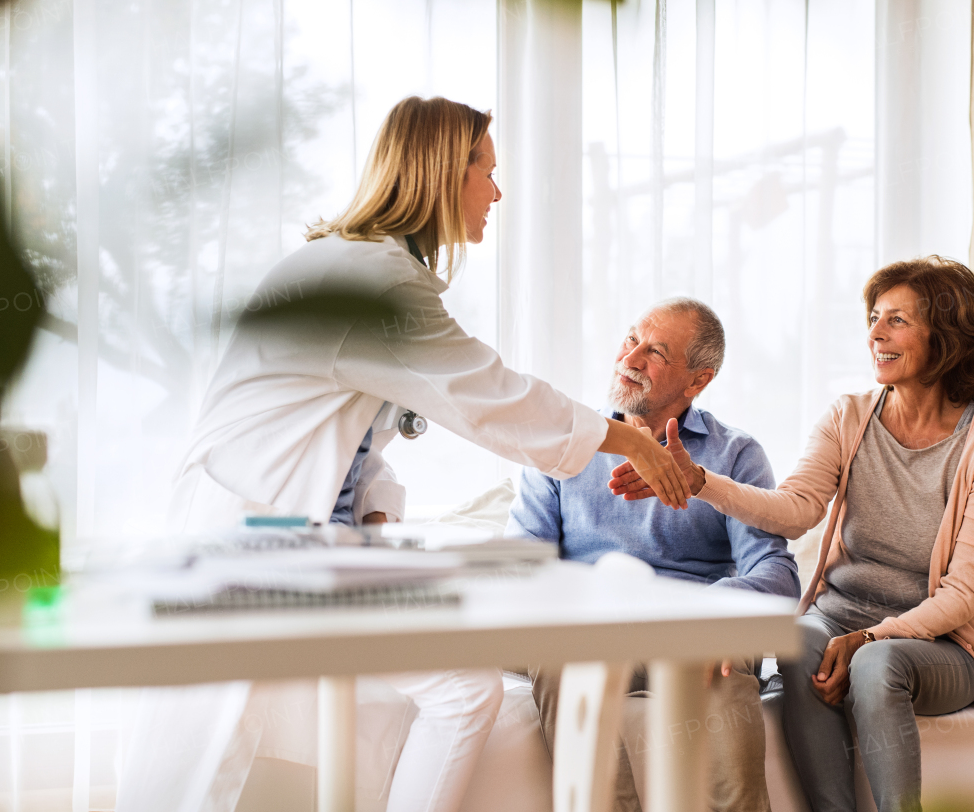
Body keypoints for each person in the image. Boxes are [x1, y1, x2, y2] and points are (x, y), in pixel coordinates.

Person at [120, 96, 688, 812]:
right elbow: (493, 396)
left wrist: (376, 515)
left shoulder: (359, 270)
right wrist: (627, 436)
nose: (497, 192)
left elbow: (346, 435)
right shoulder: (373, 282)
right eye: (487, 170)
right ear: (443, 174)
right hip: (254, 539)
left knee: (244, 744)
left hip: (289, 540)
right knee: (223, 749)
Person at [608, 257, 974, 812]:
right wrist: (700, 481)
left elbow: (963, 594)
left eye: (896, 320)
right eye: (874, 317)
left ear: (945, 336)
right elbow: (796, 509)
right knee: (799, 641)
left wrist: (873, 639)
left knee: (878, 665)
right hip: (840, 618)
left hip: (943, 645)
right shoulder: (848, 417)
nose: (875, 333)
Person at [507, 297, 799, 812]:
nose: (632, 357)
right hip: (591, 631)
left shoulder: (735, 454)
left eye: (656, 351)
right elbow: (522, 565)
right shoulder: (565, 446)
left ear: (697, 381)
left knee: (731, 684)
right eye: (630, 338)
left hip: (690, 632)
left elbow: (776, 572)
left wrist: (713, 615)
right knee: (554, 654)